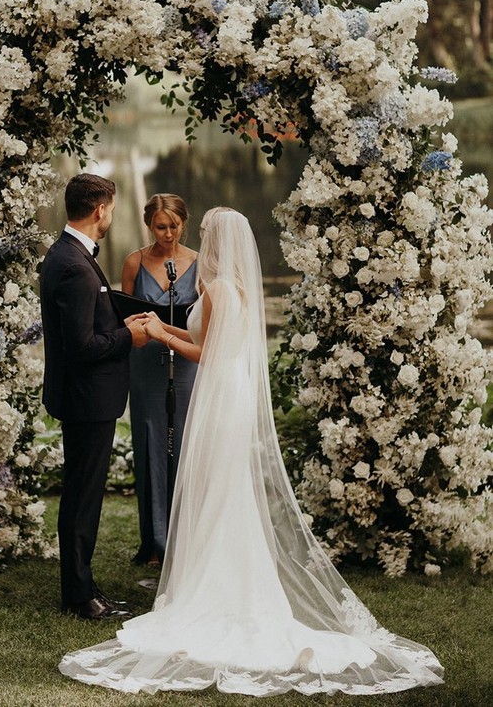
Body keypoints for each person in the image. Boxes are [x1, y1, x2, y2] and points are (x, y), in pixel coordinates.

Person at [59, 207, 444, 695]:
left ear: (218, 242)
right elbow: (203, 338)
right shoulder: (230, 289)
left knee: (219, 487)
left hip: (221, 396)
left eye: (204, 234)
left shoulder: (218, 290)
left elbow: (209, 352)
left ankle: (218, 586)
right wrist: (162, 330)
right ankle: (225, 574)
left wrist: (160, 335)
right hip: (228, 393)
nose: (196, 238)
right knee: (226, 487)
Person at [39, 173, 149, 621]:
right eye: (112, 207)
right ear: (101, 209)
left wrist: (130, 314)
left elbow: (92, 312)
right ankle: (80, 596)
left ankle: (81, 586)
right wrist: (130, 336)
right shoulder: (71, 263)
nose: (112, 215)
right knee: (83, 497)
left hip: (86, 398)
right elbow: (81, 345)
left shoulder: (69, 254)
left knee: (83, 495)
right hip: (87, 398)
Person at [120, 194, 198, 567]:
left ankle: (186, 540)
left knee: (184, 446)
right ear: (149, 225)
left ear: (184, 222)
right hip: (146, 366)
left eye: (174, 226)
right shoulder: (134, 262)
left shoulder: (200, 264)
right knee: (151, 444)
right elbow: (122, 317)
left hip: (184, 365)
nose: (168, 234)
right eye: (160, 227)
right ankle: (153, 541)